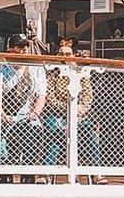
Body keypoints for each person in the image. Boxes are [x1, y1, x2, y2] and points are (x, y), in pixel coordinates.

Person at [0, 38, 46, 172]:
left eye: (25, 46)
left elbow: (41, 96)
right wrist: (2, 115)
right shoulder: (1, 72)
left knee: (35, 129)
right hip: (7, 115)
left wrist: (35, 113)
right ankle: (5, 165)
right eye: (19, 46)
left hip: (28, 115)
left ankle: (28, 169)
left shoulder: (36, 70)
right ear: (10, 49)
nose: (24, 49)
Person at [43, 40, 101, 170]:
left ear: (73, 55)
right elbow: (50, 98)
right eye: (61, 54)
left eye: (68, 54)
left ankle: (96, 171)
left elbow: (88, 96)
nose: (65, 57)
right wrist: (69, 108)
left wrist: (80, 109)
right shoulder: (52, 75)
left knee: (90, 133)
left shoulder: (81, 74)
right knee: (54, 131)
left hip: (79, 115)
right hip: (58, 114)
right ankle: (47, 171)